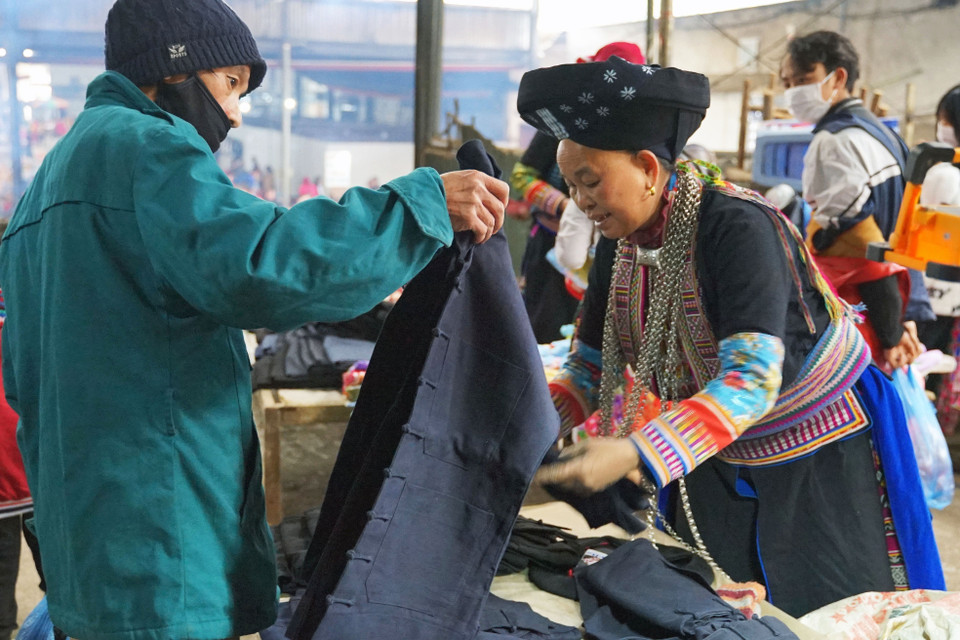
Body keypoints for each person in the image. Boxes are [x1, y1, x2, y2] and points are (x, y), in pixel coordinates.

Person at [0, 1, 507, 639]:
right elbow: (262, 264)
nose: (235, 113)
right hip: (162, 541)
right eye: (231, 84)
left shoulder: (44, 190)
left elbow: (22, 378)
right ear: (173, 70)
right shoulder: (148, 148)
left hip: (91, 541)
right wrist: (416, 208)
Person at [520, 55, 944, 617]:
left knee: (826, 609)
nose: (580, 200)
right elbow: (589, 364)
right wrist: (530, 430)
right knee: (716, 600)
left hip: (816, 445)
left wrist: (636, 450)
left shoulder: (737, 226)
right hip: (713, 442)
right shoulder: (620, 241)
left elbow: (752, 378)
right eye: (571, 184)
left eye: (590, 181)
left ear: (648, 166)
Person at [780, 30, 932, 371]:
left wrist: (890, 332)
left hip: (861, 316)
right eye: (788, 83)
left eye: (804, 80)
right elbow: (906, 232)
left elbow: (861, 245)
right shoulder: (883, 133)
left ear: (839, 77)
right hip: (891, 302)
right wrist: (905, 317)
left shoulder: (834, 141)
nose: (791, 93)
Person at [510, 41, 645, 344]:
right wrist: (567, 206)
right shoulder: (564, 122)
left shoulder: (633, 129)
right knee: (546, 328)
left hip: (608, 245)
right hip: (552, 246)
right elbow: (521, 175)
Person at [0, 269, 44, 640]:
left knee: (62, 582)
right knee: (64, 583)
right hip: (33, 468)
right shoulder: (27, 310)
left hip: (31, 469)